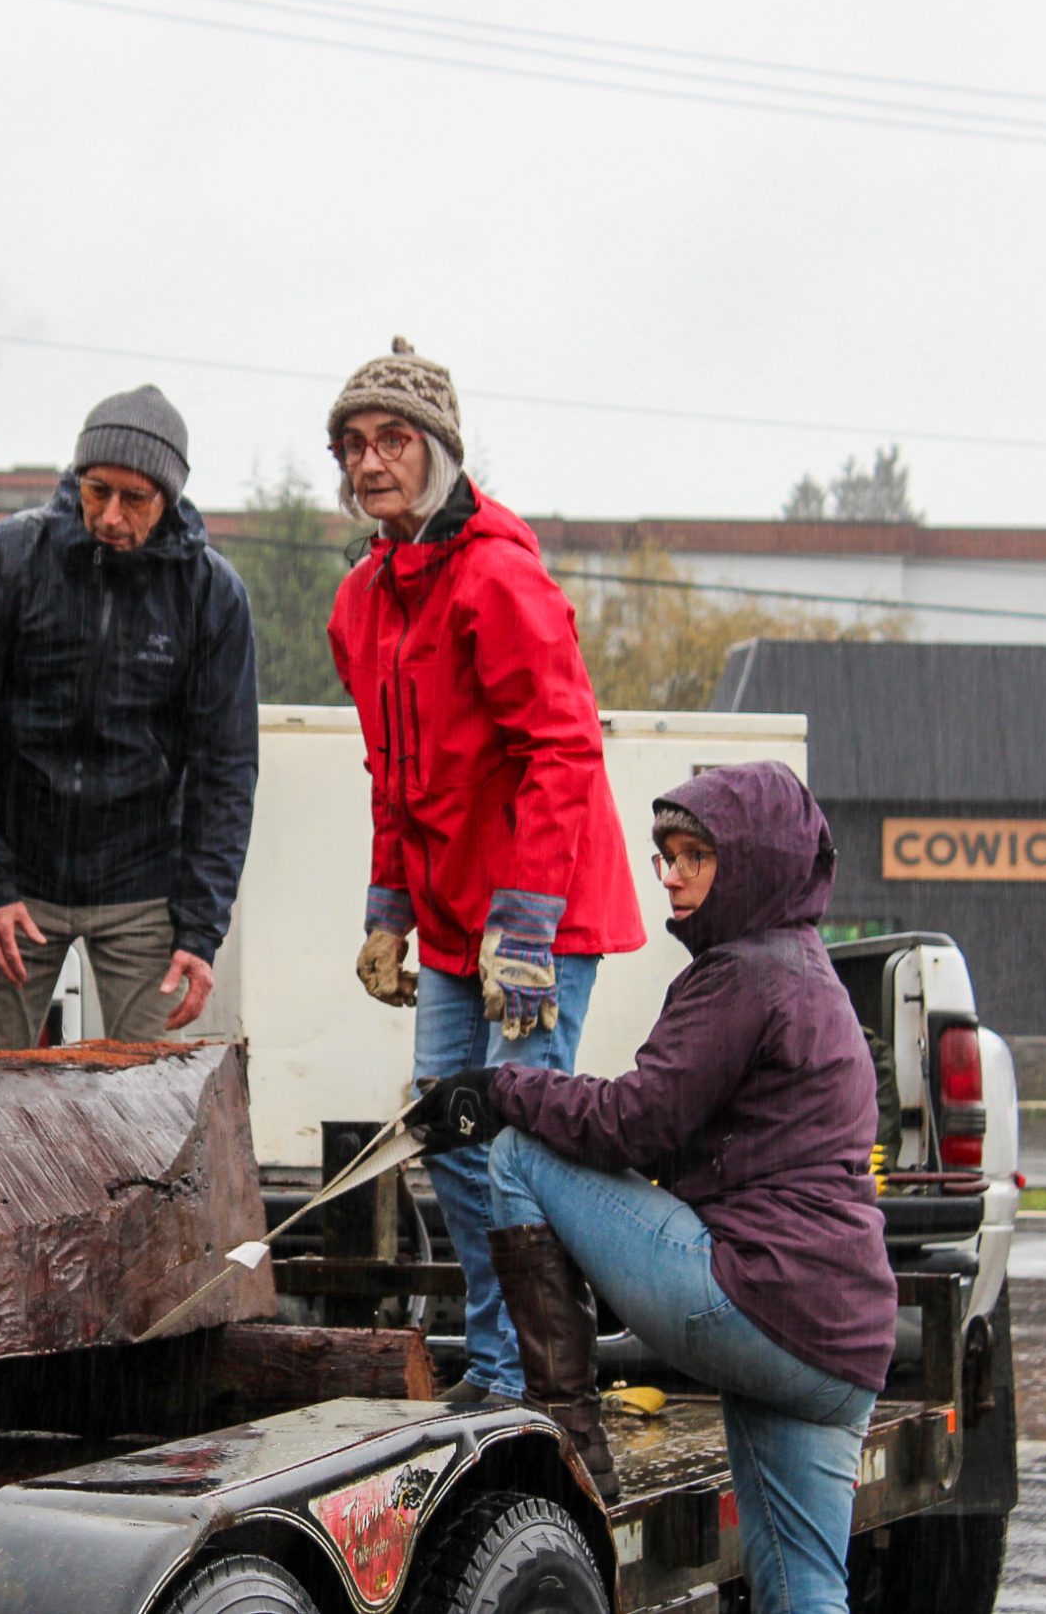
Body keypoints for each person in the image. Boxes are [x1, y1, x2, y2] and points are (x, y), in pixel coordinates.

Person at [407, 762, 894, 1614]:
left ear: (752, 863)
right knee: (806, 1589)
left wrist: (494, 1091)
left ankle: (568, 1435)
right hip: (841, 1347)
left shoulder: (742, 973)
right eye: (664, 853)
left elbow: (636, 1123)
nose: (669, 873)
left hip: (753, 1298)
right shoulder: (813, 976)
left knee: (519, 1154)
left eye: (694, 855)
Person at [324, 337, 645, 1405]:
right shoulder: (358, 603)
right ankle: (501, 1367)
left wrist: (523, 930)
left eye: (393, 441)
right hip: (458, 917)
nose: (370, 463)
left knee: (516, 1148)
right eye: (353, 444)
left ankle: (550, 1387)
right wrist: (386, 911)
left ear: (441, 452)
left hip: (539, 910)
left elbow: (562, 752)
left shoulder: (499, 578)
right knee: (444, 1127)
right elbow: (392, 777)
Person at [0, 385, 260, 1049]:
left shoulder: (211, 595)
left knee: (158, 1110)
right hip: (14, 873)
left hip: (142, 885)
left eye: (134, 499)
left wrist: (200, 926)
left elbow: (226, 771)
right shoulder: (4, 562)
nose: (109, 514)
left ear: (169, 499)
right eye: (96, 489)